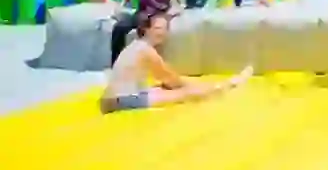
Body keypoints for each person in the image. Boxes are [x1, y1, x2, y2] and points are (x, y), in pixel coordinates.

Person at [102, 12, 252, 113]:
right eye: (158, 28)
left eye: (165, 29)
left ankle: (220, 85)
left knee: (162, 88)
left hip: (111, 100)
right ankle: (228, 85)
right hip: (122, 101)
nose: (162, 33)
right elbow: (173, 80)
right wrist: (202, 87)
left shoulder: (135, 46)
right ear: (146, 29)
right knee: (186, 93)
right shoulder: (146, 51)